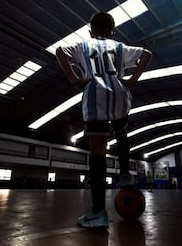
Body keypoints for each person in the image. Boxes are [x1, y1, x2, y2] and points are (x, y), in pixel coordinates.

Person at [56, 12, 152, 228]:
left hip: (95, 95)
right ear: (112, 32)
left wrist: (76, 81)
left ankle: (98, 213)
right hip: (119, 94)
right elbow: (147, 54)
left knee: (97, 150)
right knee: (121, 131)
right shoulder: (119, 47)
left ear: (90, 31)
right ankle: (126, 175)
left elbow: (60, 51)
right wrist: (132, 80)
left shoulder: (82, 45)